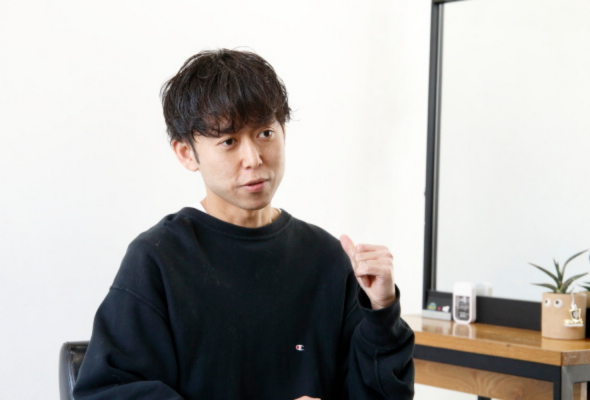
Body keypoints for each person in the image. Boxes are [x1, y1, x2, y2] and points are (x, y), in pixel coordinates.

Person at [73, 49, 414, 400]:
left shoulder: (327, 258)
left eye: (265, 133)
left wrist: (382, 311)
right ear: (186, 153)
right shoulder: (158, 259)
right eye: (228, 141)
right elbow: (108, 392)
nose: (253, 159)